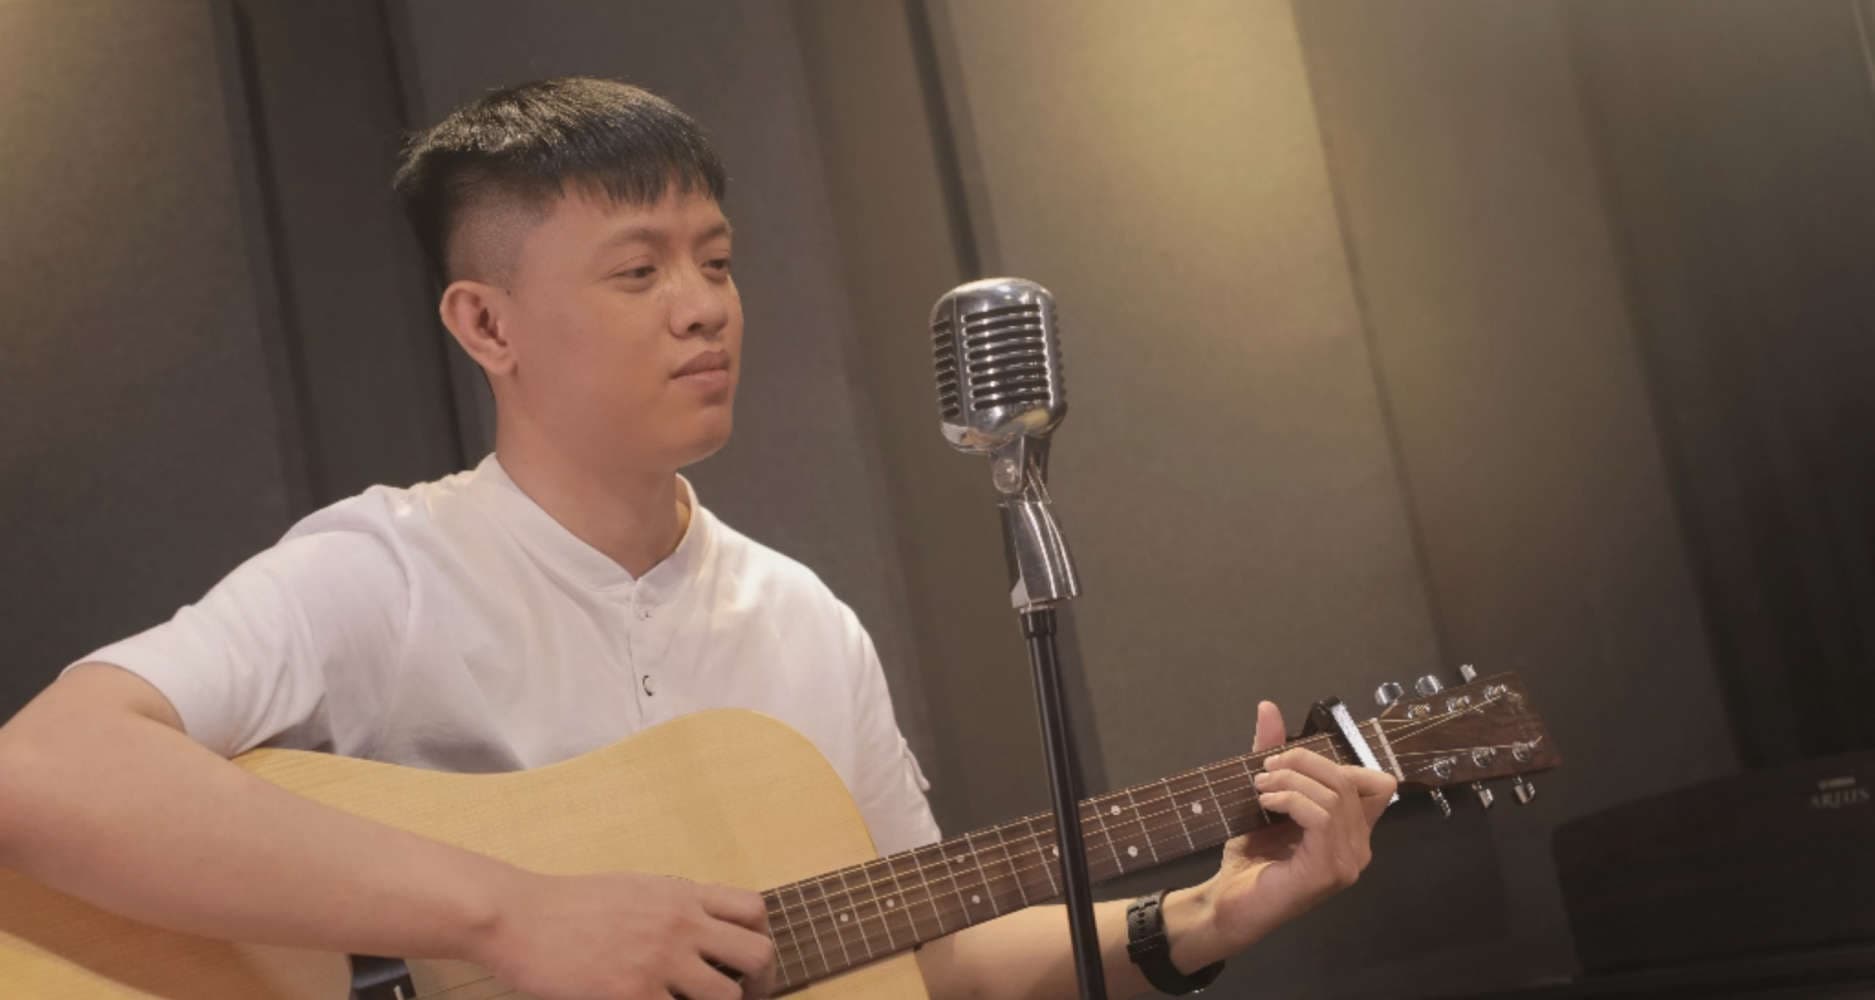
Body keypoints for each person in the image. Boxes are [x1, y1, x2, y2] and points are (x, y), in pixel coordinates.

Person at [0, 77, 1395, 999]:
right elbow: (43, 773)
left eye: (717, 261)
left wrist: (1197, 921)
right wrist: (506, 915)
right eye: (639, 269)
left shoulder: (799, 621)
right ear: (487, 324)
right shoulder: (383, 573)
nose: (703, 306)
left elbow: (929, 953)